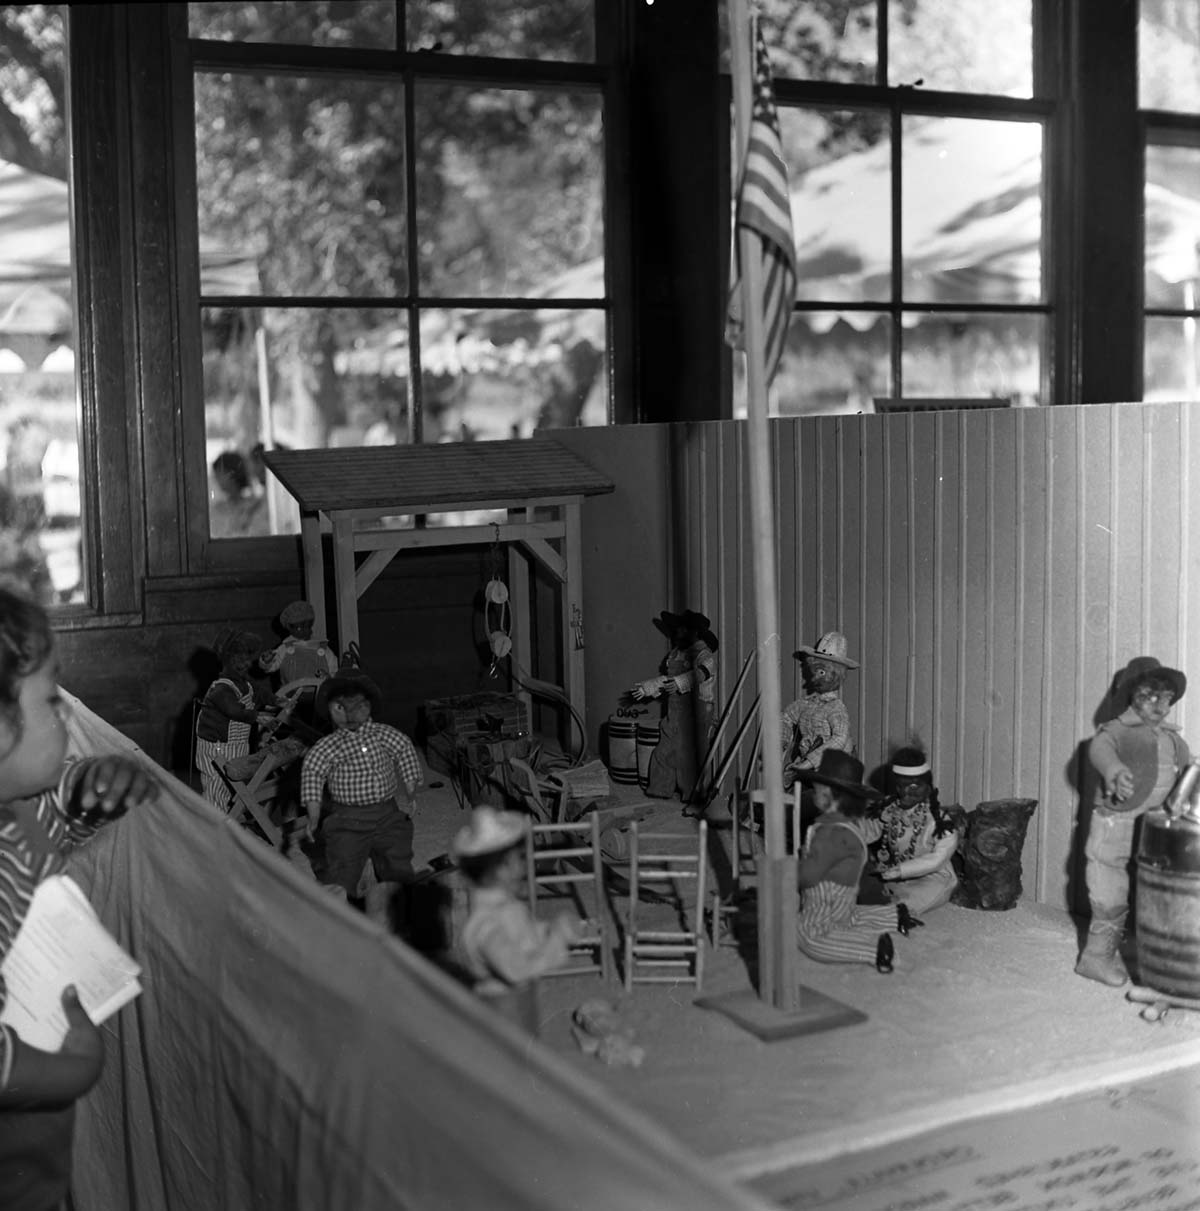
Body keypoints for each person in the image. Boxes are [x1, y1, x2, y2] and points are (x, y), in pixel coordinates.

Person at [0, 586, 159, 1211]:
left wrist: (87, 790)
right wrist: (59, 1071)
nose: (67, 718)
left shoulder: (18, 809)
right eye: (50, 701)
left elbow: (48, 824)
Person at [1078, 655, 1190, 986]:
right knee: (1109, 892)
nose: (1160, 705)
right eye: (1150, 695)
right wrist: (1113, 770)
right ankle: (1095, 958)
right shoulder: (1116, 731)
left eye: (1167, 698)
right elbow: (1100, 750)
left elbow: (1186, 769)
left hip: (1155, 830)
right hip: (1116, 826)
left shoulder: (1171, 738)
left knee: (1155, 894)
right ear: (1133, 697)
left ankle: (1153, 962)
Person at [451, 804, 577, 1033]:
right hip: (501, 1006)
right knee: (512, 1055)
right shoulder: (487, 924)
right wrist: (556, 940)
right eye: (518, 859)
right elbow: (516, 969)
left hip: (517, 1000)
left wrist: (546, 930)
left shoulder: (505, 907)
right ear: (502, 870)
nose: (523, 865)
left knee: (527, 1044)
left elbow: (518, 932)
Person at [301, 673, 422, 908]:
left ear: (370, 706)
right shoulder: (327, 747)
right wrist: (313, 814)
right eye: (340, 707)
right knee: (342, 864)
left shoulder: (383, 734)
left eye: (358, 706)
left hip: (387, 813)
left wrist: (411, 788)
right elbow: (312, 774)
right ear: (329, 709)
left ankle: (401, 901)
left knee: (398, 857)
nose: (350, 714)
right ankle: (342, 911)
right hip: (347, 818)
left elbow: (404, 749)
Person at [795, 750, 922, 973]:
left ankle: (875, 950)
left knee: (808, 936)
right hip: (843, 900)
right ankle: (895, 916)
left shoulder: (831, 834)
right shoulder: (848, 825)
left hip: (825, 904)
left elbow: (809, 875)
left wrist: (790, 869)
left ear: (829, 796)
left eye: (816, 790)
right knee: (850, 917)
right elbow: (868, 834)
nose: (813, 794)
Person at [630, 608, 718, 805]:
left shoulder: (704, 654)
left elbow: (702, 674)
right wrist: (650, 687)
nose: (678, 633)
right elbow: (667, 680)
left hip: (697, 710)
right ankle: (660, 789)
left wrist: (680, 682)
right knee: (664, 750)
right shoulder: (676, 654)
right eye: (677, 630)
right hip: (675, 710)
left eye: (683, 630)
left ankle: (694, 795)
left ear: (694, 632)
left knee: (690, 755)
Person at [871, 745, 960, 915]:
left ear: (928, 787)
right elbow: (871, 830)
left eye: (913, 787)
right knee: (865, 884)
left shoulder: (940, 822)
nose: (905, 792)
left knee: (908, 902)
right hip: (894, 871)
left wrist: (902, 870)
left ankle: (893, 912)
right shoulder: (891, 811)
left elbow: (938, 859)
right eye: (899, 786)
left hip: (933, 877)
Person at [194, 629, 275, 811]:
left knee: (232, 785)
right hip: (217, 746)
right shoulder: (222, 688)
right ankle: (214, 822)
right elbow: (233, 710)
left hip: (237, 745)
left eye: (248, 658)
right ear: (230, 661)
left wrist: (276, 700)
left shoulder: (246, 683)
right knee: (216, 785)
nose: (247, 663)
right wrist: (257, 716)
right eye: (242, 659)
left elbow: (261, 694)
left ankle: (226, 816)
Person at [782, 631, 858, 792]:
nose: (815, 678)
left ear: (836, 675)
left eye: (822, 673)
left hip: (835, 775)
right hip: (809, 773)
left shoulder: (836, 708)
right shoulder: (806, 704)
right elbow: (787, 716)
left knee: (809, 805)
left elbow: (839, 739)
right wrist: (782, 741)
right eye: (815, 671)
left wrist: (808, 762)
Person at [259, 600, 338, 686]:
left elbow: (334, 669)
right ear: (290, 629)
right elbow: (271, 666)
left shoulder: (322, 648)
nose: (305, 630)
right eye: (299, 627)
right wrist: (266, 661)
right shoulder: (285, 648)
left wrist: (329, 678)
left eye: (307, 625)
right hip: (291, 695)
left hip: (319, 695)